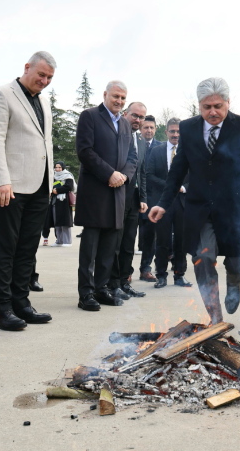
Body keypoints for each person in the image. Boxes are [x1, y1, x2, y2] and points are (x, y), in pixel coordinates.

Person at [149, 77, 240, 324]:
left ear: (228, 102)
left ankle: (235, 282)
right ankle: (215, 318)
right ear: (199, 106)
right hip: (200, 209)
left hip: (234, 208)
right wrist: (163, 203)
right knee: (203, 259)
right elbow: (178, 169)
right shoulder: (188, 128)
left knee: (237, 264)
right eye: (207, 107)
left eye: (218, 105)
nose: (213, 112)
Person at [0, 52, 55, 331]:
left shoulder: (45, 101)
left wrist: (49, 184)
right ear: (27, 68)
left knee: (27, 248)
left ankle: (21, 303)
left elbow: (44, 143)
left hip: (39, 186)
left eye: (49, 77)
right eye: (41, 75)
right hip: (10, 187)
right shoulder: (1, 94)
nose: (45, 81)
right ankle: (1, 310)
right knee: (5, 248)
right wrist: (1, 180)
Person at [75, 80, 138, 311]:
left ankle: (102, 289)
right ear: (105, 95)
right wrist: (109, 174)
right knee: (90, 249)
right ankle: (86, 294)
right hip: (95, 193)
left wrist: (124, 176)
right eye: (115, 97)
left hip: (118, 194)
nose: (119, 101)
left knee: (109, 248)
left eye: (123, 98)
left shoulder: (124, 123)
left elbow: (132, 157)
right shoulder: (89, 116)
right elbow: (84, 151)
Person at [109, 102, 149, 299]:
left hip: (134, 199)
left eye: (141, 117)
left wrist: (143, 198)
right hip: (117, 195)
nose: (138, 120)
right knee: (114, 242)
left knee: (128, 243)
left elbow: (142, 172)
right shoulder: (117, 136)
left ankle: (125, 281)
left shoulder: (141, 142)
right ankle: (112, 283)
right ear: (125, 114)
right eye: (134, 115)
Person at [146, 117, 190, 288]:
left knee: (181, 240)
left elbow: (195, 175)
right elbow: (149, 175)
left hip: (182, 203)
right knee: (162, 241)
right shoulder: (156, 151)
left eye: (178, 131)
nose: (175, 134)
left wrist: (183, 188)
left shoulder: (189, 152)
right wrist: (171, 187)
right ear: (166, 132)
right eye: (172, 131)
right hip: (162, 203)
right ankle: (161, 275)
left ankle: (179, 275)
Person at [138, 114, 160, 281]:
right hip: (134, 198)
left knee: (150, 237)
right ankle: (125, 272)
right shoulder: (133, 144)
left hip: (153, 200)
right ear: (141, 128)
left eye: (151, 127)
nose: (149, 130)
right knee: (128, 236)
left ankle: (146, 268)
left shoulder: (161, 147)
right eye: (146, 127)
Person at [42, 162, 75, 247]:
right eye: (56, 167)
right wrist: (52, 190)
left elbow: (69, 187)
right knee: (57, 221)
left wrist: (57, 190)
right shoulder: (53, 176)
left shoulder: (67, 176)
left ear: (63, 167)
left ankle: (67, 241)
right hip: (55, 201)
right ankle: (59, 240)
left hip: (64, 201)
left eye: (59, 167)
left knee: (64, 221)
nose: (57, 169)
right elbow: (50, 186)